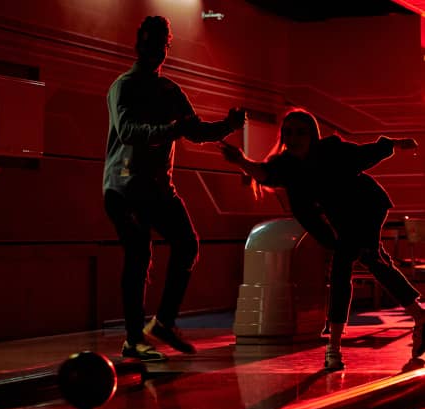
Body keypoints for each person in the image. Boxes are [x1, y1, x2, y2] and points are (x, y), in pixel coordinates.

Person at [218, 108, 425, 371]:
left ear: (312, 135)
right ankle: (418, 315)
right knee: (373, 260)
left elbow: (366, 153)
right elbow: (265, 174)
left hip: (365, 207)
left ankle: (334, 347)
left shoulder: (332, 151)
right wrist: (239, 160)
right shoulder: (287, 165)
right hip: (338, 220)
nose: (294, 138)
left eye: (300, 132)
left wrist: (395, 144)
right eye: (289, 132)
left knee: (345, 266)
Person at [103, 16, 246, 362]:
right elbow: (128, 131)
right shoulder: (124, 86)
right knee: (139, 254)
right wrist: (171, 129)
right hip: (124, 187)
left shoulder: (169, 91)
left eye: (164, 44)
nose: (158, 50)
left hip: (157, 189)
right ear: (140, 44)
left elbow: (193, 131)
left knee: (187, 243)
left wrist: (226, 126)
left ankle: (163, 322)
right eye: (152, 43)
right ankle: (134, 339)